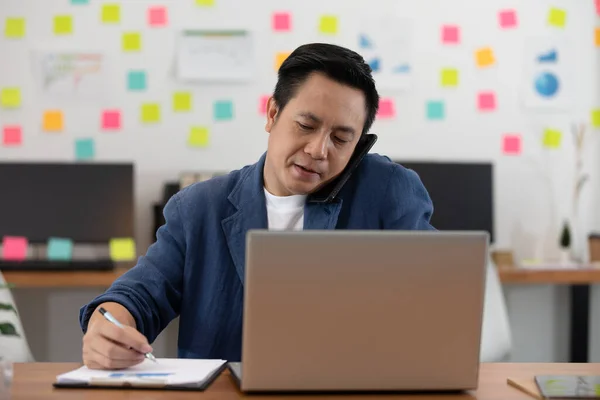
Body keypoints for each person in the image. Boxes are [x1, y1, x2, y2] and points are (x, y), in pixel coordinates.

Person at [79, 43, 435, 370]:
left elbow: (436, 294)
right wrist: (108, 323)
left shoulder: (389, 192)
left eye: (341, 138)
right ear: (272, 113)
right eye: (305, 125)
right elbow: (140, 294)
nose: (318, 150)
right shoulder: (200, 207)